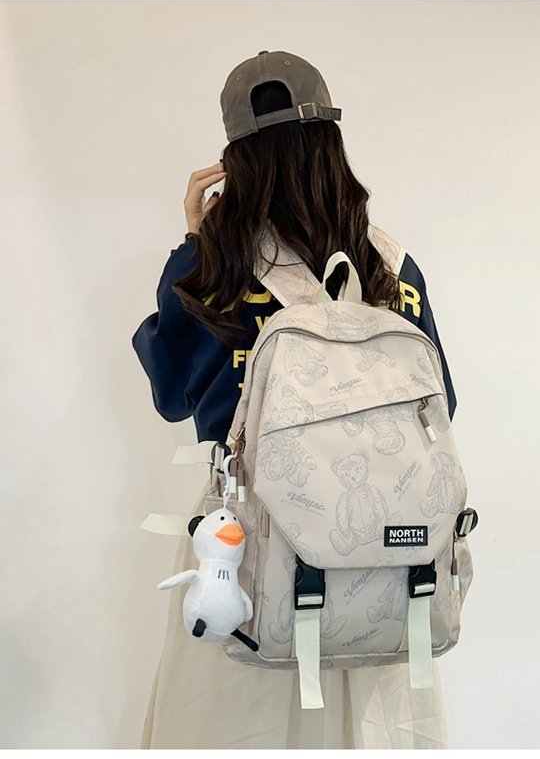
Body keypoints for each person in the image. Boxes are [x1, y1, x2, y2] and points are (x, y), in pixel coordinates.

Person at [132, 50, 457, 750]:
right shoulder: (391, 267)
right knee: (369, 731)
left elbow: (170, 392)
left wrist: (192, 240)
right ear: (329, 139)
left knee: (229, 726)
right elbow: (442, 411)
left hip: (242, 552)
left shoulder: (214, 262)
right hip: (384, 557)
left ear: (235, 159)